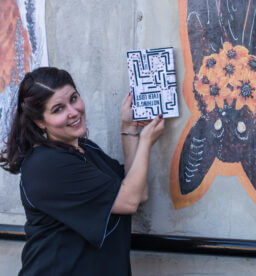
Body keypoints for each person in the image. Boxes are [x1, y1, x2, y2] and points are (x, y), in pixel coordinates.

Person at [0, 67, 164, 275]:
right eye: (58, 109)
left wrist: (129, 129)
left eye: (74, 98)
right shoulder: (46, 165)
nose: (73, 111)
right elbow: (129, 200)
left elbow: (137, 192)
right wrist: (147, 141)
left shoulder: (87, 149)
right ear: (40, 121)